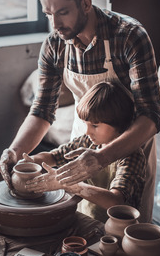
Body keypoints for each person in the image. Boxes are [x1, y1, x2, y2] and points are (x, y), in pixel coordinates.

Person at [0, 0, 160, 223]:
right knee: (79, 225)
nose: (55, 24)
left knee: (123, 229)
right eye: (48, 13)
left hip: (129, 148)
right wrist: (14, 152)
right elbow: (42, 111)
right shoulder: (54, 45)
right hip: (86, 137)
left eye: (63, 12)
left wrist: (101, 157)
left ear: (86, 3)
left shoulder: (130, 37)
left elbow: (151, 117)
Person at [23, 81, 145, 223]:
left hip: (117, 232)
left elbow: (115, 201)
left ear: (119, 123)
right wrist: (28, 162)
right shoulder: (87, 142)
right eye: (86, 124)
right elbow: (53, 156)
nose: (87, 132)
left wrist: (67, 184)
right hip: (86, 220)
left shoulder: (131, 155)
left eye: (95, 125)